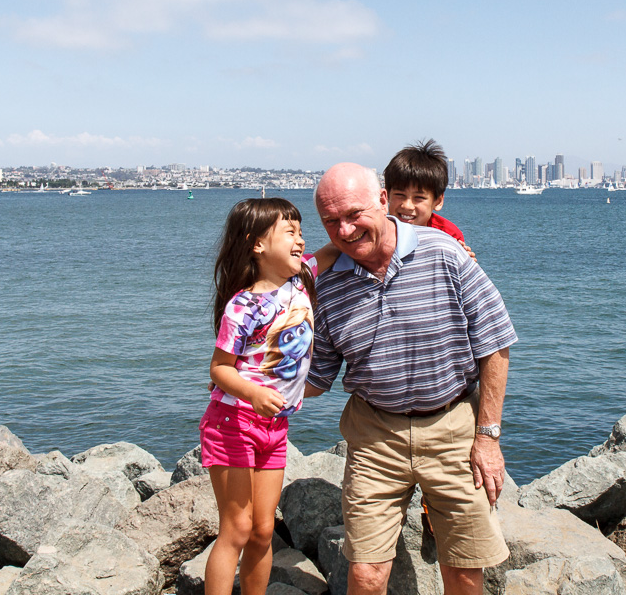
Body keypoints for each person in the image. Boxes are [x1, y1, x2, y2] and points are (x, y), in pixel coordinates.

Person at [307, 164, 517, 595]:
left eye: (354, 214)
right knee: (366, 574)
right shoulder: (325, 286)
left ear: (383, 201)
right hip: (374, 436)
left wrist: (488, 436)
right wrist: (250, 382)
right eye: (331, 221)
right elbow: (318, 375)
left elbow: (495, 343)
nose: (344, 231)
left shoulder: (444, 253)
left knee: (463, 569)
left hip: (454, 428)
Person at [200, 197, 336, 595]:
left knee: (262, 530)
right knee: (237, 529)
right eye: (289, 232)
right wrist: (253, 393)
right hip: (234, 422)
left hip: (275, 427)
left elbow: (337, 248)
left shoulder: (303, 278)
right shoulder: (244, 306)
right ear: (257, 245)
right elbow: (219, 369)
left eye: (301, 231)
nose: (301, 240)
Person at [383, 138, 465, 242]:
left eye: (419, 197)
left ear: (438, 201)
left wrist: (461, 250)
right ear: (387, 195)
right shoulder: (377, 230)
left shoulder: (448, 234)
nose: (407, 206)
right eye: (400, 195)